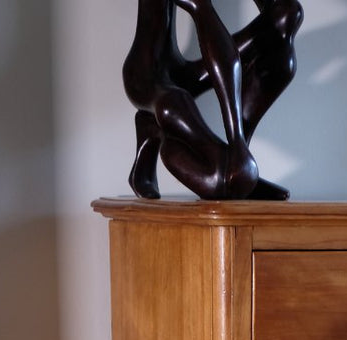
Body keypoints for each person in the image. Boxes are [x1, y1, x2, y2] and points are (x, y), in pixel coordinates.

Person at [123, 0, 303, 201]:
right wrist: (235, 138)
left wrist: (239, 144)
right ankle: (235, 163)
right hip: (145, 76)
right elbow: (204, 15)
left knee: (286, 14)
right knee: (172, 105)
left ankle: (237, 164)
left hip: (182, 72)